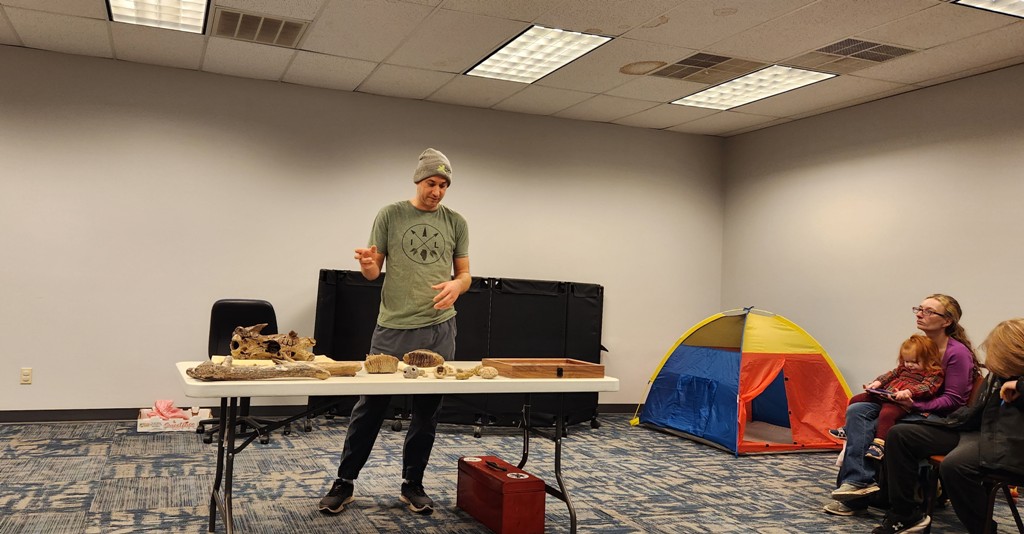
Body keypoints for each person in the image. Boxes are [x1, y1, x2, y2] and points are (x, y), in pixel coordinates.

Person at [319, 148, 470, 516]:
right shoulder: (391, 214)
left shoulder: (456, 222)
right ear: (418, 180)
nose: (437, 191)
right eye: (431, 183)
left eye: (444, 185)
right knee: (370, 407)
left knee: (427, 412)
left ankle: (412, 484)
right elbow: (374, 272)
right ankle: (344, 482)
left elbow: (465, 274)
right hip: (393, 327)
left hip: (439, 328)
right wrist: (367, 264)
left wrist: (458, 285)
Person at [825, 294, 979, 515]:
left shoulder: (957, 353)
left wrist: (914, 405)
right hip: (905, 403)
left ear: (947, 321)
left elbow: (954, 401)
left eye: (928, 311)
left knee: (878, 424)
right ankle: (859, 483)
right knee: (857, 409)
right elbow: (899, 373)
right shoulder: (920, 344)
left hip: (937, 415)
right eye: (919, 309)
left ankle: (857, 496)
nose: (920, 314)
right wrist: (880, 387)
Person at [872, 318, 1024, 534]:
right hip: (975, 430)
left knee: (955, 466)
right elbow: (976, 413)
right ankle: (904, 514)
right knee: (900, 434)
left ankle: (984, 530)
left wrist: (1019, 385)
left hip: (1006, 442)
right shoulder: (999, 374)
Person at [829, 334, 944, 461]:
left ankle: (880, 444)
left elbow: (927, 387)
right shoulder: (903, 368)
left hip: (902, 402)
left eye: (915, 362)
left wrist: (909, 392)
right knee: (856, 399)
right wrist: (877, 383)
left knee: (887, 413)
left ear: (930, 360)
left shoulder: (934, 373)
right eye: (907, 361)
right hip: (887, 394)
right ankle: (848, 429)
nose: (909, 365)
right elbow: (890, 375)